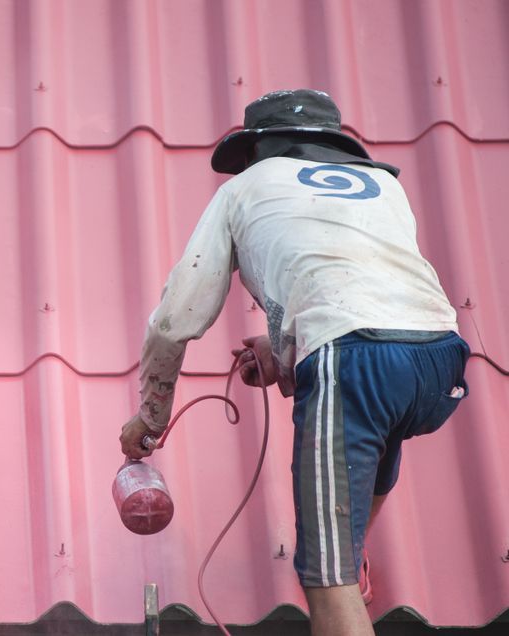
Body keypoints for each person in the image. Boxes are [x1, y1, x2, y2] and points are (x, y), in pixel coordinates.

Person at [118, 89, 470, 636]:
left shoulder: (245, 187)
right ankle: (349, 559)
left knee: (323, 581)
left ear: (259, 149)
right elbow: (360, 289)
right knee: (373, 445)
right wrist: (281, 350)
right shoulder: (385, 185)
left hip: (352, 362)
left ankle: (339, 575)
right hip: (439, 359)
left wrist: (152, 416)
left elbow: (174, 321)